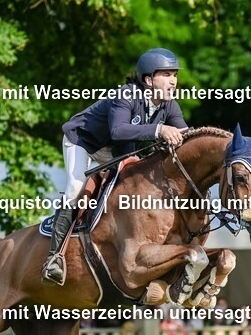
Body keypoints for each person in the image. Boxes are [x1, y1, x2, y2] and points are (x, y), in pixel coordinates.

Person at [42, 47, 189, 285]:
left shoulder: (169, 106)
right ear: (149, 80)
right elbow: (118, 130)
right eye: (167, 75)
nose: (173, 81)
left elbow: (184, 137)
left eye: (175, 75)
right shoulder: (126, 95)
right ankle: (54, 257)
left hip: (117, 149)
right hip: (84, 142)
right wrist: (159, 130)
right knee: (75, 188)